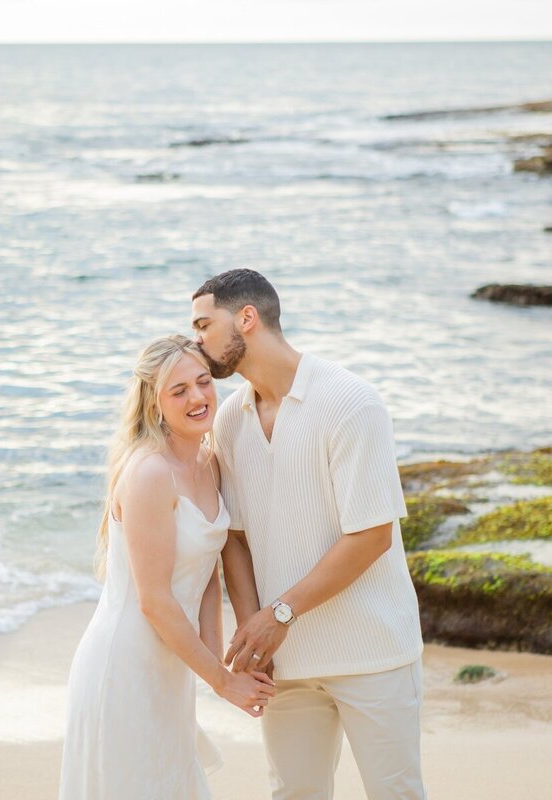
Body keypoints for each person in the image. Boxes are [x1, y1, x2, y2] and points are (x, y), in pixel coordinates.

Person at [191, 269, 426, 800]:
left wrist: (279, 615)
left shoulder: (350, 402)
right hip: (286, 663)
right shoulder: (229, 421)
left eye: (204, 325)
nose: (196, 340)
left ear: (246, 319)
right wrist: (257, 632)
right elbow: (236, 538)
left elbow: (370, 536)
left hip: (373, 651)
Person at [59, 334, 275, 800]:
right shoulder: (149, 474)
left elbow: (206, 579)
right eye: (179, 391)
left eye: (203, 383)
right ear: (155, 404)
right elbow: (154, 601)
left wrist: (217, 667)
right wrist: (221, 681)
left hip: (172, 665)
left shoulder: (208, 461)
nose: (197, 397)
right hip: (123, 665)